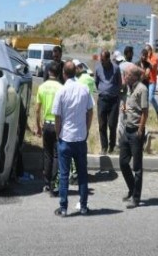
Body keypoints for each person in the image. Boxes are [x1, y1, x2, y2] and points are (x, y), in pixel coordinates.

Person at [52, 61, 94, 217]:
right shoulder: (84, 89)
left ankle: (63, 208)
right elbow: (90, 111)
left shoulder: (62, 91)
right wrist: (87, 128)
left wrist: (58, 133)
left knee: (64, 175)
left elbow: (57, 116)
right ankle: (83, 206)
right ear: (75, 72)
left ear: (64, 73)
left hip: (66, 138)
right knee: (82, 173)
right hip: (80, 138)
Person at [119, 65, 148, 208]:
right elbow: (132, 106)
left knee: (137, 167)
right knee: (123, 163)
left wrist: (140, 130)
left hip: (136, 131)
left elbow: (144, 112)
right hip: (126, 130)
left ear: (135, 76)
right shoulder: (128, 87)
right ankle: (132, 188)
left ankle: (136, 198)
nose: (125, 75)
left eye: (128, 74)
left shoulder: (142, 89)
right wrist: (125, 109)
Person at [35, 61, 63, 197]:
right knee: (57, 155)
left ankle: (46, 183)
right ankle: (54, 185)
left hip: (46, 124)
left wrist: (38, 125)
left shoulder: (42, 87)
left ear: (49, 72)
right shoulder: (61, 88)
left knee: (47, 154)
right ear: (59, 73)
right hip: (58, 125)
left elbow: (37, 109)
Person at [94, 50, 122, 155]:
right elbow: (96, 82)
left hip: (114, 100)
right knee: (102, 125)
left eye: (103, 60)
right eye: (101, 60)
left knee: (112, 124)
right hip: (102, 100)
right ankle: (104, 147)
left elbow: (119, 83)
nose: (101, 62)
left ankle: (112, 146)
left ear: (108, 59)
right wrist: (103, 91)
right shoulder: (97, 68)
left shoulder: (116, 68)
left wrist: (113, 92)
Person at [144, 43, 158, 120]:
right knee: (145, 99)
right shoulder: (144, 58)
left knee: (151, 98)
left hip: (152, 81)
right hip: (145, 81)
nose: (146, 52)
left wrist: (147, 58)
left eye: (147, 51)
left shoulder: (155, 58)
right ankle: (145, 115)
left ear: (150, 51)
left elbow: (152, 66)